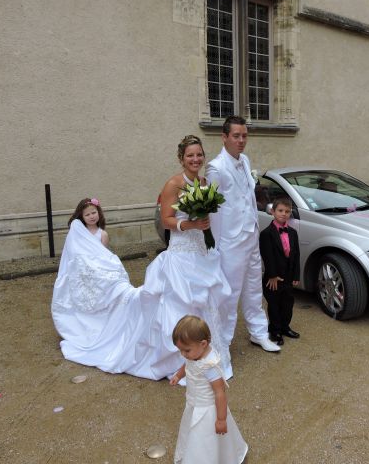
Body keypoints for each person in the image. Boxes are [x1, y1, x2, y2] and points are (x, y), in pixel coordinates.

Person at [134, 135, 234, 380]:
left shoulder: (203, 182)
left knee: (207, 300)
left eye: (199, 154)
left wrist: (205, 226)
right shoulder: (173, 184)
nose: (195, 159)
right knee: (183, 302)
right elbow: (167, 220)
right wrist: (190, 224)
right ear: (181, 158)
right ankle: (181, 361)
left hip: (201, 251)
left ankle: (207, 356)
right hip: (181, 252)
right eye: (190, 155)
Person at [206, 115, 280, 353]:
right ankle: (223, 342)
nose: (241, 141)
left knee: (254, 288)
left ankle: (258, 332)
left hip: (251, 237)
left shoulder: (245, 160)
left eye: (244, 136)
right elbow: (213, 211)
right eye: (236, 136)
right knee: (229, 295)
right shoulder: (216, 168)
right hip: (230, 242)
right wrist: (217, 246)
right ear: (224, 137)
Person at [51, 198, 147, 374]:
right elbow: (75, 254)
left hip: (99, 269)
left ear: (99, 213)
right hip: (86, 271)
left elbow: (102, 256)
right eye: (87, 214)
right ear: (81, 216)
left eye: (94, 213)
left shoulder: (102, 234)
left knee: (114, 286)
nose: (91, 216)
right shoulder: (77, 233)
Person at [170, 315, 248, 464]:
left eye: (186, 350)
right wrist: (178, 376)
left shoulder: (209, 366)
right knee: (192, 433)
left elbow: (220, 393)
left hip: (207, 411)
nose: (183, 354)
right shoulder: (194, 355)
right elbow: (187, 365)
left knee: (204, 437)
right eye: (180, 350)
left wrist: (220, 419)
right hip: (194, 403)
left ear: (203, 344)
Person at [259, 197, 301, 346]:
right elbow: (267, 256)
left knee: (288, 303)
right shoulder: (266, 234)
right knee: (275, 305)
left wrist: (296, 275)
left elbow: (296, 255)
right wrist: (272, 275)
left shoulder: (293, 233)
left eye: (287, 211)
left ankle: (285, 327)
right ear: (272, 211)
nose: (284, 214)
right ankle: (275, 330)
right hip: (274, 277)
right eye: (280, 210)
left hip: (288, 276)